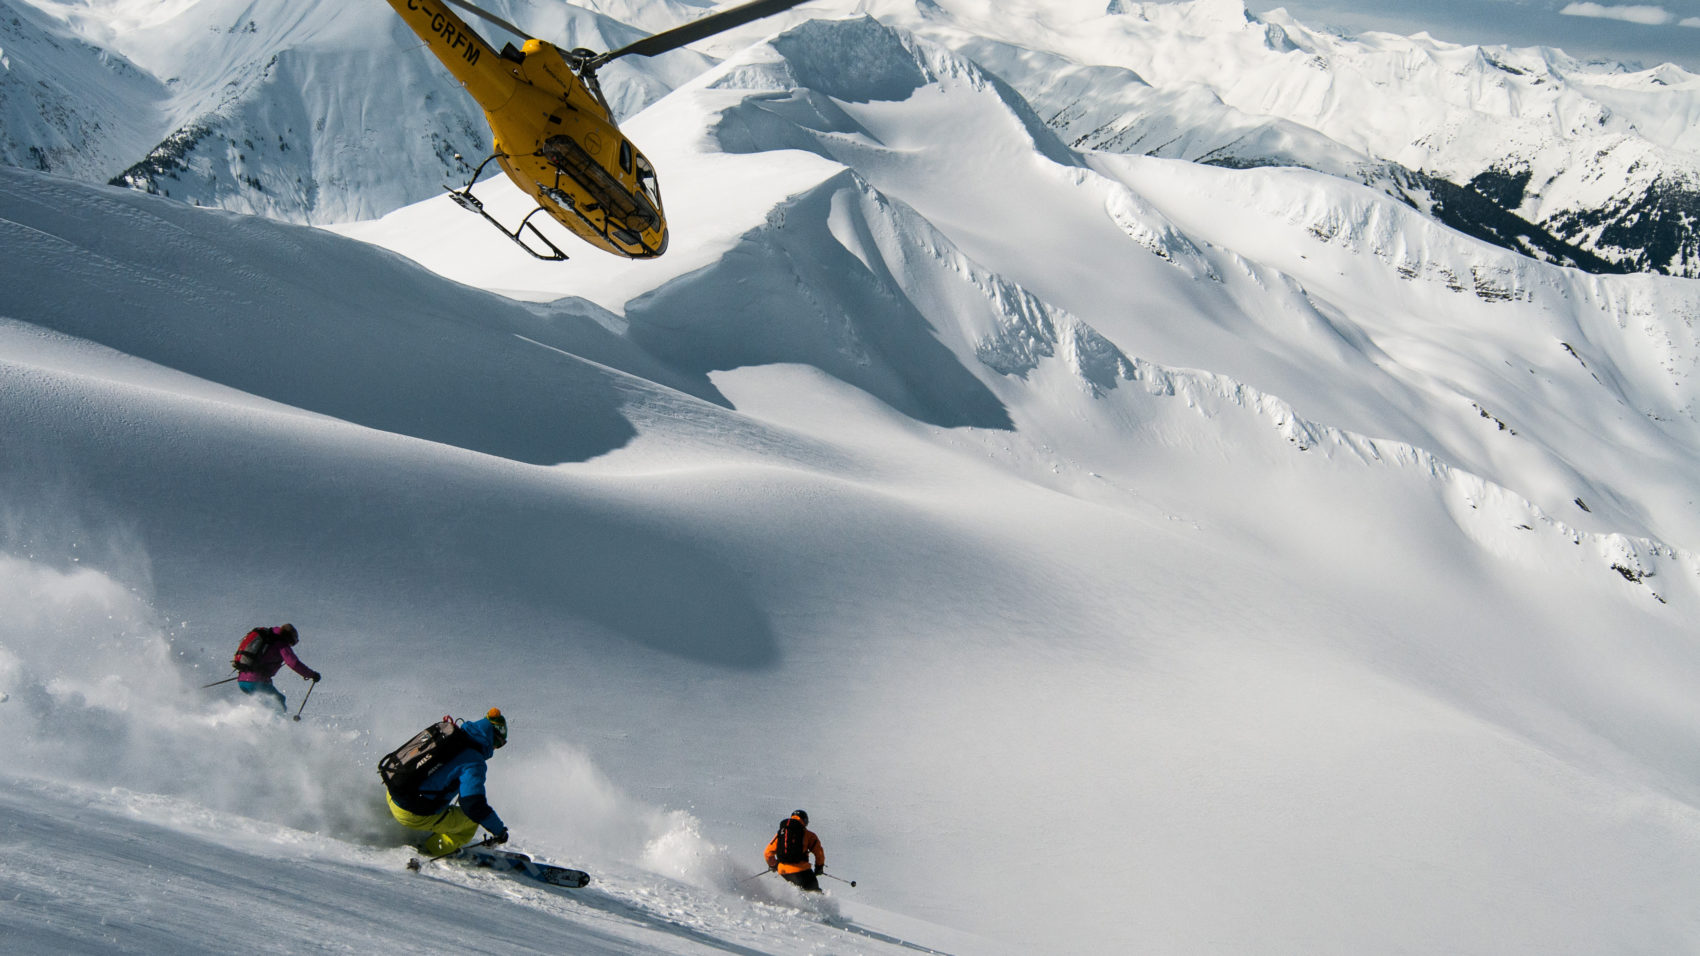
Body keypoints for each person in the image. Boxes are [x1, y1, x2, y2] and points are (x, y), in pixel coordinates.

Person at [385, 708, 511, 856]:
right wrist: (499, 831)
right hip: (411, 812)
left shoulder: (451, 736)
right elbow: (473, 805)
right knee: (470, 823)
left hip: (393, 793)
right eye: (500, 744)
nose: (496, 749)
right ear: (493, 738)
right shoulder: (474, 761)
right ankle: (433, 849)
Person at [235, 623, 321, 714]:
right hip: (256, 682)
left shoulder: (269, 637)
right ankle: (277, 725)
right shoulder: (281, 643)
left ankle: (249, 722)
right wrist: (312, 674)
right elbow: (293, 663)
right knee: (278, 701)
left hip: (243, 681)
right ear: (290, 638)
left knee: (262, 705)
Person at [764, 809, 826, 892]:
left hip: (783, 871)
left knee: (796, 890)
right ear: (805, 821)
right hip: (802, 870)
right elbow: (819, 853)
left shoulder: (781, 833)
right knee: (815, 892)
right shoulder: (809, 835)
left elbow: (767, 853)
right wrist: (819, 867)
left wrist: (773, 865)